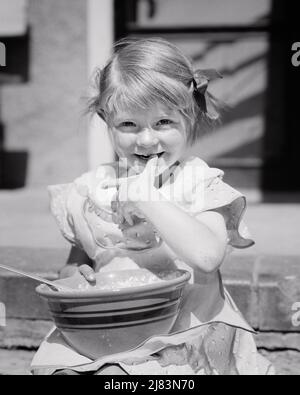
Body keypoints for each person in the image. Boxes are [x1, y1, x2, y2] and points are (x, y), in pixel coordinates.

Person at [31, 38, 274, 375]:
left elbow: (207, 257)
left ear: (190, 116)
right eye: (128, 124)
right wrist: (75, 278)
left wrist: (147, 196)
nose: (146, 140)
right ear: (106, 119)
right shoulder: (89, 190)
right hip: (106, 330)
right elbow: (76, 264)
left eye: (163, 123)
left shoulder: (200, 183)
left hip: (182, 336)